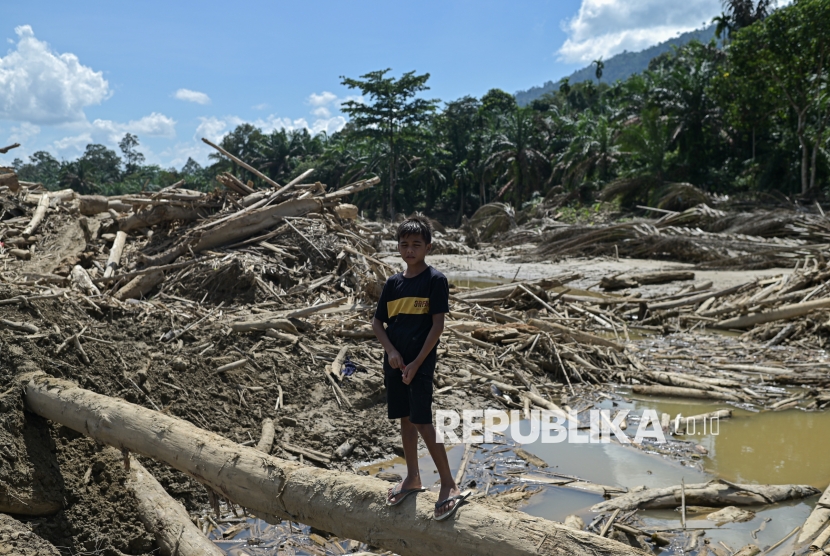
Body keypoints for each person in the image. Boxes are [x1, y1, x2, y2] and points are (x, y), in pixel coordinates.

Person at [372, 215, 471, 521]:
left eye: (416, 244)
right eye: (404, 244)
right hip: (396, 363)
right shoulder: (393, 283)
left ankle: (449, 484)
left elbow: (437, 326)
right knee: (405, 419)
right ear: (397, 247)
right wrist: (391, 352)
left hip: (420, 363)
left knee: (423, 421)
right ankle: (413, 477)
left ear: (428, 247)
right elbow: (378, 322)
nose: (410, 249)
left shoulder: (435, 280)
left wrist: (416, 363)